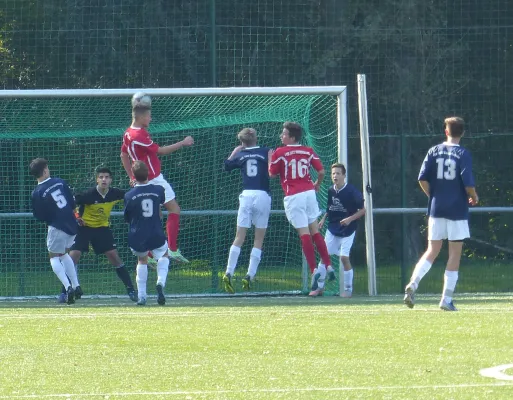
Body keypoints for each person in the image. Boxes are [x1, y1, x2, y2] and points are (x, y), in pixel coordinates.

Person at [404, 117, 478, 311]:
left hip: (437, 208)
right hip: (457, 210)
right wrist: (474, 196)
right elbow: (468, 183)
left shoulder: (433, 151)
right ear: (462, 133)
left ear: (446, 131)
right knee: (454, 254)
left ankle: (413, 283)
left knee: (432, 250)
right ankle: (446, 299)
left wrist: (433, 195)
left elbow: (422, 179)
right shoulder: (463, 153)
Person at [120, 100, 194, 263]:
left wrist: (131, 176)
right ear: (141, 117)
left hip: (141, 180)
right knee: (174, 209)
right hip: (153, 179)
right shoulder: (139, 135)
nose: (150, 119)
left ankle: (151, 254)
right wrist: (183, 143)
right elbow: (161, 151)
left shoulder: (127, 132)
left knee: (156, 215)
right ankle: (172, 249)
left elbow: (123, 155)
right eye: (148, 116)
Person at [268, 121, 332, 296]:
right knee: (316, 232)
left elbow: (272, 174)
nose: (281, 136)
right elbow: (321, 172)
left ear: (292, 137)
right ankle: (328, 264)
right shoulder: (308, 151)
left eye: (284, 134)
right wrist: (317, 185)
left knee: (304, 234)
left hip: (294, 196)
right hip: (309, 194)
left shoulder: (280, 152)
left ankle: (313, 270)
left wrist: (269, 160)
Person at [57, 167, 136, 303]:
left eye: (106, 177)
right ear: (97, 180)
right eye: (101, 177)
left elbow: (131, 196)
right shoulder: (88, 195)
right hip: (84, 229)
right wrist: (77, 217)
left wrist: (136, 187)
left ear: (111, 180)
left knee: (114, 257)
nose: (104, 179)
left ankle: (131, 290)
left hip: (102, 229)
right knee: (73, 257)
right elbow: (71, 203)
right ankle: (65, 292)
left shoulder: (116, 193)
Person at [222, 128, 271, 293]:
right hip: (262, 195)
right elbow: (272, 172)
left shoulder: (240, 155)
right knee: (258, 240)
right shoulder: (265, 151)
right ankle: (249, 275)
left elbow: (227, 166)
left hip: (246, 195)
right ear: (256, 138)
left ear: (242, 142)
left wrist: (235, 151)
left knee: (239, 237)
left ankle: (228, 271)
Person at [30, 158, 80, 305]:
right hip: (71, 225)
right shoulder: (59, 181)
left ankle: (68, 286)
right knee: (64, 254)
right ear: (45, 170)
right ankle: (76, 285)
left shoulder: (37, 192)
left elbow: (39, 215)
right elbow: (71, 203)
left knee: (53, 257)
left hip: (56, 226)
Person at [124, 161, 170, 306]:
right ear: (148, 173)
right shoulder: (158, 189)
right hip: (155, 231)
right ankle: (160, 282)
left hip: (137, 234)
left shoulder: (129, 195)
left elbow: (127, 217)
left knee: (142, 260)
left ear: (133, 176)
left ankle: (142, 296)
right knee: (163, 255)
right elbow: (159, 205)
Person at [318, 163, 366, 298]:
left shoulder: (351, 191)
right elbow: (330, 208)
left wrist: (350, 219)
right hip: (333, 228)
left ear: (344, 175)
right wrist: (323, 219)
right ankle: (319, 287)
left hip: (348, 230)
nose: (335, 176)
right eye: (333, 173)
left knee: (344, 258)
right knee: (324, 257)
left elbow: (363, 210)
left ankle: (348, 289)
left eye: (338, 173)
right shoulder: (330, 190)